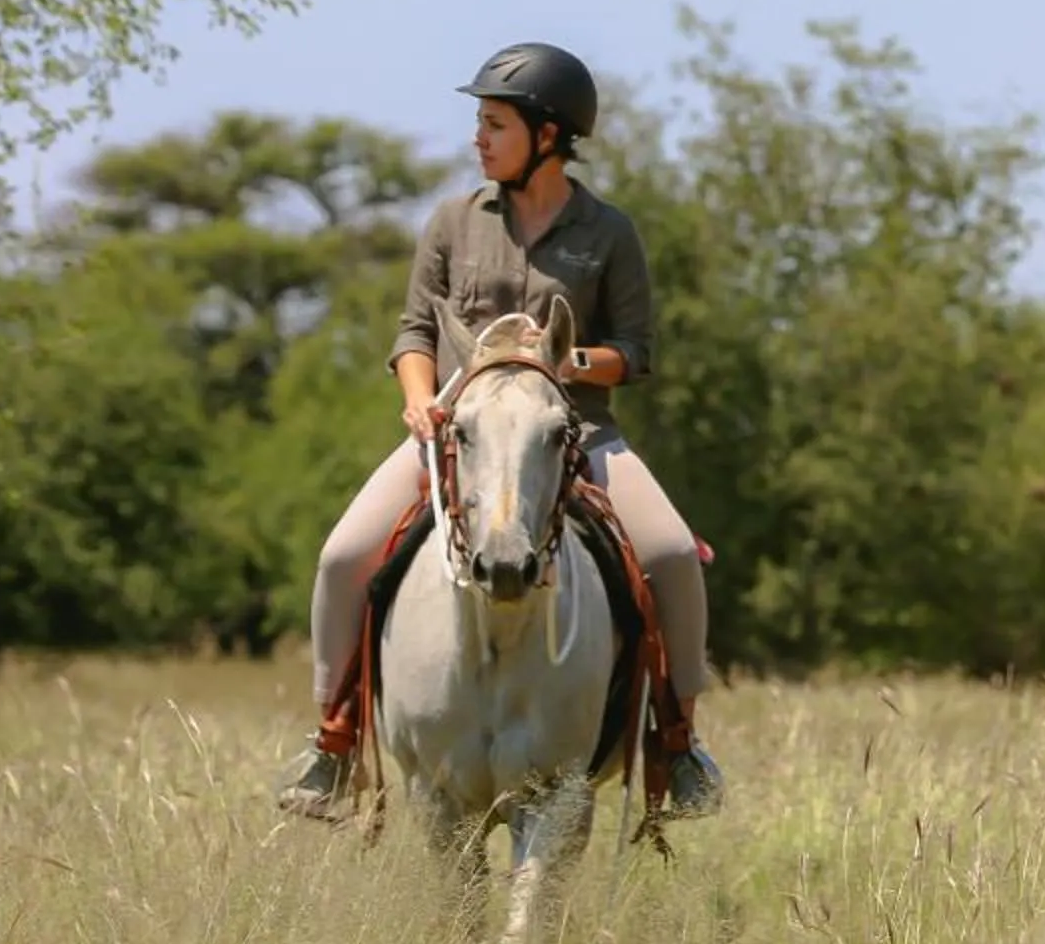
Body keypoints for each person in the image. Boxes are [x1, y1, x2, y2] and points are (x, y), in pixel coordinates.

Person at [272, 42, 725, 819]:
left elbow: (637, 352)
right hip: (456, 434)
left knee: (675, 556)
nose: (478, 139)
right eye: (479, 123)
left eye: (495, 124)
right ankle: (333, 743)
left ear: (547, 136)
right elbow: (415, 332)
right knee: (343, 554)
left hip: (574, 434)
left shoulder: (608, 233)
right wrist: (420, 403)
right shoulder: (452, 221)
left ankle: (677, 746)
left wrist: (566, 361)